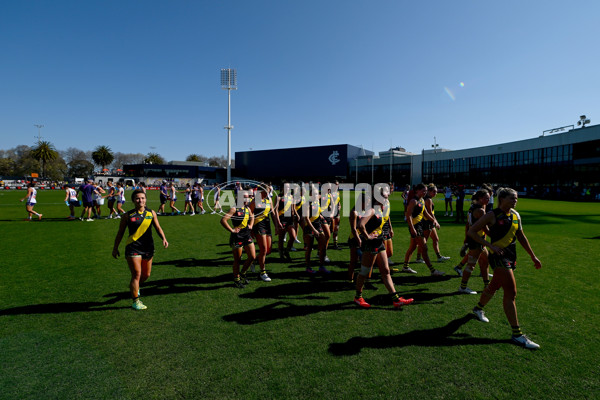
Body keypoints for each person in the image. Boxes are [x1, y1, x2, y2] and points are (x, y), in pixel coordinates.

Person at [469, 187, 542, 349]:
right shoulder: (491, 215)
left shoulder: (516, 215)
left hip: (511, 255)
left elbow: (521, 236)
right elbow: (472, 231)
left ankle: (478, 308)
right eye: (512, 198)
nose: (515, 201)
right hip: (498, 257)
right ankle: (517, 334)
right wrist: (490, 246)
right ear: (502, 199)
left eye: (516, 198)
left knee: (494, 285)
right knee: (511, 293)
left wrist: (533, 256)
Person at [353, 186, 414, 309]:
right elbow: (360, 225)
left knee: (386, 271)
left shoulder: (380, 209)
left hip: (379, 242)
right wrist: (368, 237)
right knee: (364, 272)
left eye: (387, 197)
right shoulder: (372, 210)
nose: (386, 199)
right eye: (385, 197)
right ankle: (358, 297)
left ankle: (396, 299)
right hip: (371, 244)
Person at [112, 189, 169, 310]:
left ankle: (135, 287)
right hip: (133, 247)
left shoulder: (151, 213)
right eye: (137, 198)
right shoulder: (127, 216)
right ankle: (135, 301)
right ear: (133, 200)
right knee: (136, 274)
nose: (140, 200)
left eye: (142, 198)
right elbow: (120, 233)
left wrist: (164, 238)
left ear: (145, 199)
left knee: (146, 275)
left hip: (148, 247)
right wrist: (115, 248)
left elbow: (158, 227)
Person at [402, 183, 445, 276]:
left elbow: (426, 213)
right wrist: (412, 228)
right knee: (424, 248)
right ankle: (433, 271)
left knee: (413, 247)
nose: (425, 192)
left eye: (426, 190)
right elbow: (408, 215)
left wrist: (435, 221)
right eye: (423, 190)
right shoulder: (414, 201)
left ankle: (405, 267)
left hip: (419, 225)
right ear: (417, 191)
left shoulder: (421, 200)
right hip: (416, 227)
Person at [457, 189, 491, 294]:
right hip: (477, 240)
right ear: (480, 198)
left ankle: (487, 285)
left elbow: (468, 224)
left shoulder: (473, 207)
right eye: (486, 198)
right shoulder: (480, 211)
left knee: (485, 261)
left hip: (476, 239)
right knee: (471, 265)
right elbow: (485, 228)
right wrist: (495, 236)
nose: (488, 200)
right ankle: (463, 287)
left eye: (489, 198)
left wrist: (466, 238)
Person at [220, 191, 256, 288]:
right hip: (237, 237)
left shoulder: (247, 208)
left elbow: (252, 217)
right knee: (237, 260)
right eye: (244, 197)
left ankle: (243, 273)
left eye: (248, 197)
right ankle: (236, 278)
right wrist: (232, 230)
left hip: (247, 235)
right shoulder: (234, 209)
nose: (246, 199)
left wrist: (251, 225)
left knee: (252, 256)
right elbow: (223, 220)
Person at [299, 184, 329, 274]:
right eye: (314, 194)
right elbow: (307, 218)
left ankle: (321, 266)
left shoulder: (317, 201)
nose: (316, 196)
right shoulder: (307, 203)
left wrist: (321, 216)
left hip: (318, 226)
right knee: (309, 248)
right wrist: (314, 230)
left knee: (323, 246)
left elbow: (316, 211)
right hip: (309, 228)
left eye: (317, 194)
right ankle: (308, 267)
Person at [249, 185, 275, 282]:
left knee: (268, 251)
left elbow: (273, 213)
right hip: (258, 225)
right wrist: (250, 229)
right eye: (264, 192)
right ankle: (262, 272)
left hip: (267, 225)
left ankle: (254, 260)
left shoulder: (269, 200)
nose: (265, 194)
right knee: (263, 249)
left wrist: (277, 225)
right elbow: (249, 214)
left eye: (267, 192)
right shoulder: (254, 201)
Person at [421, 184, 451, 262]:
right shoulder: (428, 200)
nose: (436, 193)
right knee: (424, 241)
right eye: (434, 191)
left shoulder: (427, 198)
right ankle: (419, 258)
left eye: (436, 192)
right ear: (429, 191)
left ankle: (439, 256)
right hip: (427, 222)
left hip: (429, 222)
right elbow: (430, 213)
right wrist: (436, 222)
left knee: (435, 239)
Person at [274, 182, 297, 261]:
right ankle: (281, 255)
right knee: (281, 238)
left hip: (289, 220)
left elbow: (293, 209)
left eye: (288, 187)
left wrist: (295, 218)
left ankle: (287, 251)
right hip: (282, 219)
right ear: (282, 188)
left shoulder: (291, 197)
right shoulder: (278, 197)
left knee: (293, 236)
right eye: (286, 187)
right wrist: (278, 222)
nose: (287, 189)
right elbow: (276, 210)